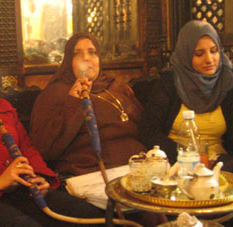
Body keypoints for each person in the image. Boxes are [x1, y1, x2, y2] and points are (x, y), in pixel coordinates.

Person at [0, 39, 107, 227]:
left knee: (85, 213)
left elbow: (27, 148)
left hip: (20, 190)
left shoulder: (2, 107)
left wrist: (40, 177)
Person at [138, 20, 233, 226]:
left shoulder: (227, 83)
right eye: (199, 54)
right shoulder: (170, 83)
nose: (210, 59)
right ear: (187, 54)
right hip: (176, 164)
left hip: (219, 165)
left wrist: (212, 162)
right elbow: (148, 130)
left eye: (214, 51)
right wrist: (188, 159)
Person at [30, 32, 147, 176]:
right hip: (91, 172)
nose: (86, 58)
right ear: (68, 61)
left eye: (92, 53)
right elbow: (44, 148)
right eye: (77, 54)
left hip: (139, 167)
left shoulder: (117, 87)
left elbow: (146, 128)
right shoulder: (55, 94)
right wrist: (74, 103)